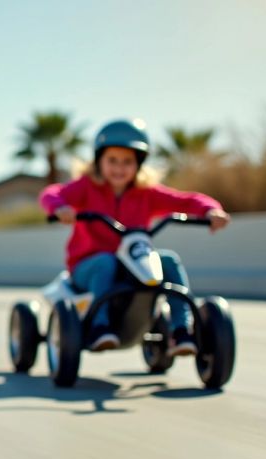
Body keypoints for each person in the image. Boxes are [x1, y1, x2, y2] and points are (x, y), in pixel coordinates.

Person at [39, 119, 230, 356]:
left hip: (133, 263)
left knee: (168, 260)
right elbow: (52, 193)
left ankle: (181, 328)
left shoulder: (146, 193)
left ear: (138, 163)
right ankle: (100, 325)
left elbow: (186, 200)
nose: (119, 168)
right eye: (112, 160)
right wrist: (59, 208)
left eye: (127, 161)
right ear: (99, 160)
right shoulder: (86, 188)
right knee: (106, 262)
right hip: (87, 267)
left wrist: (210, 210)